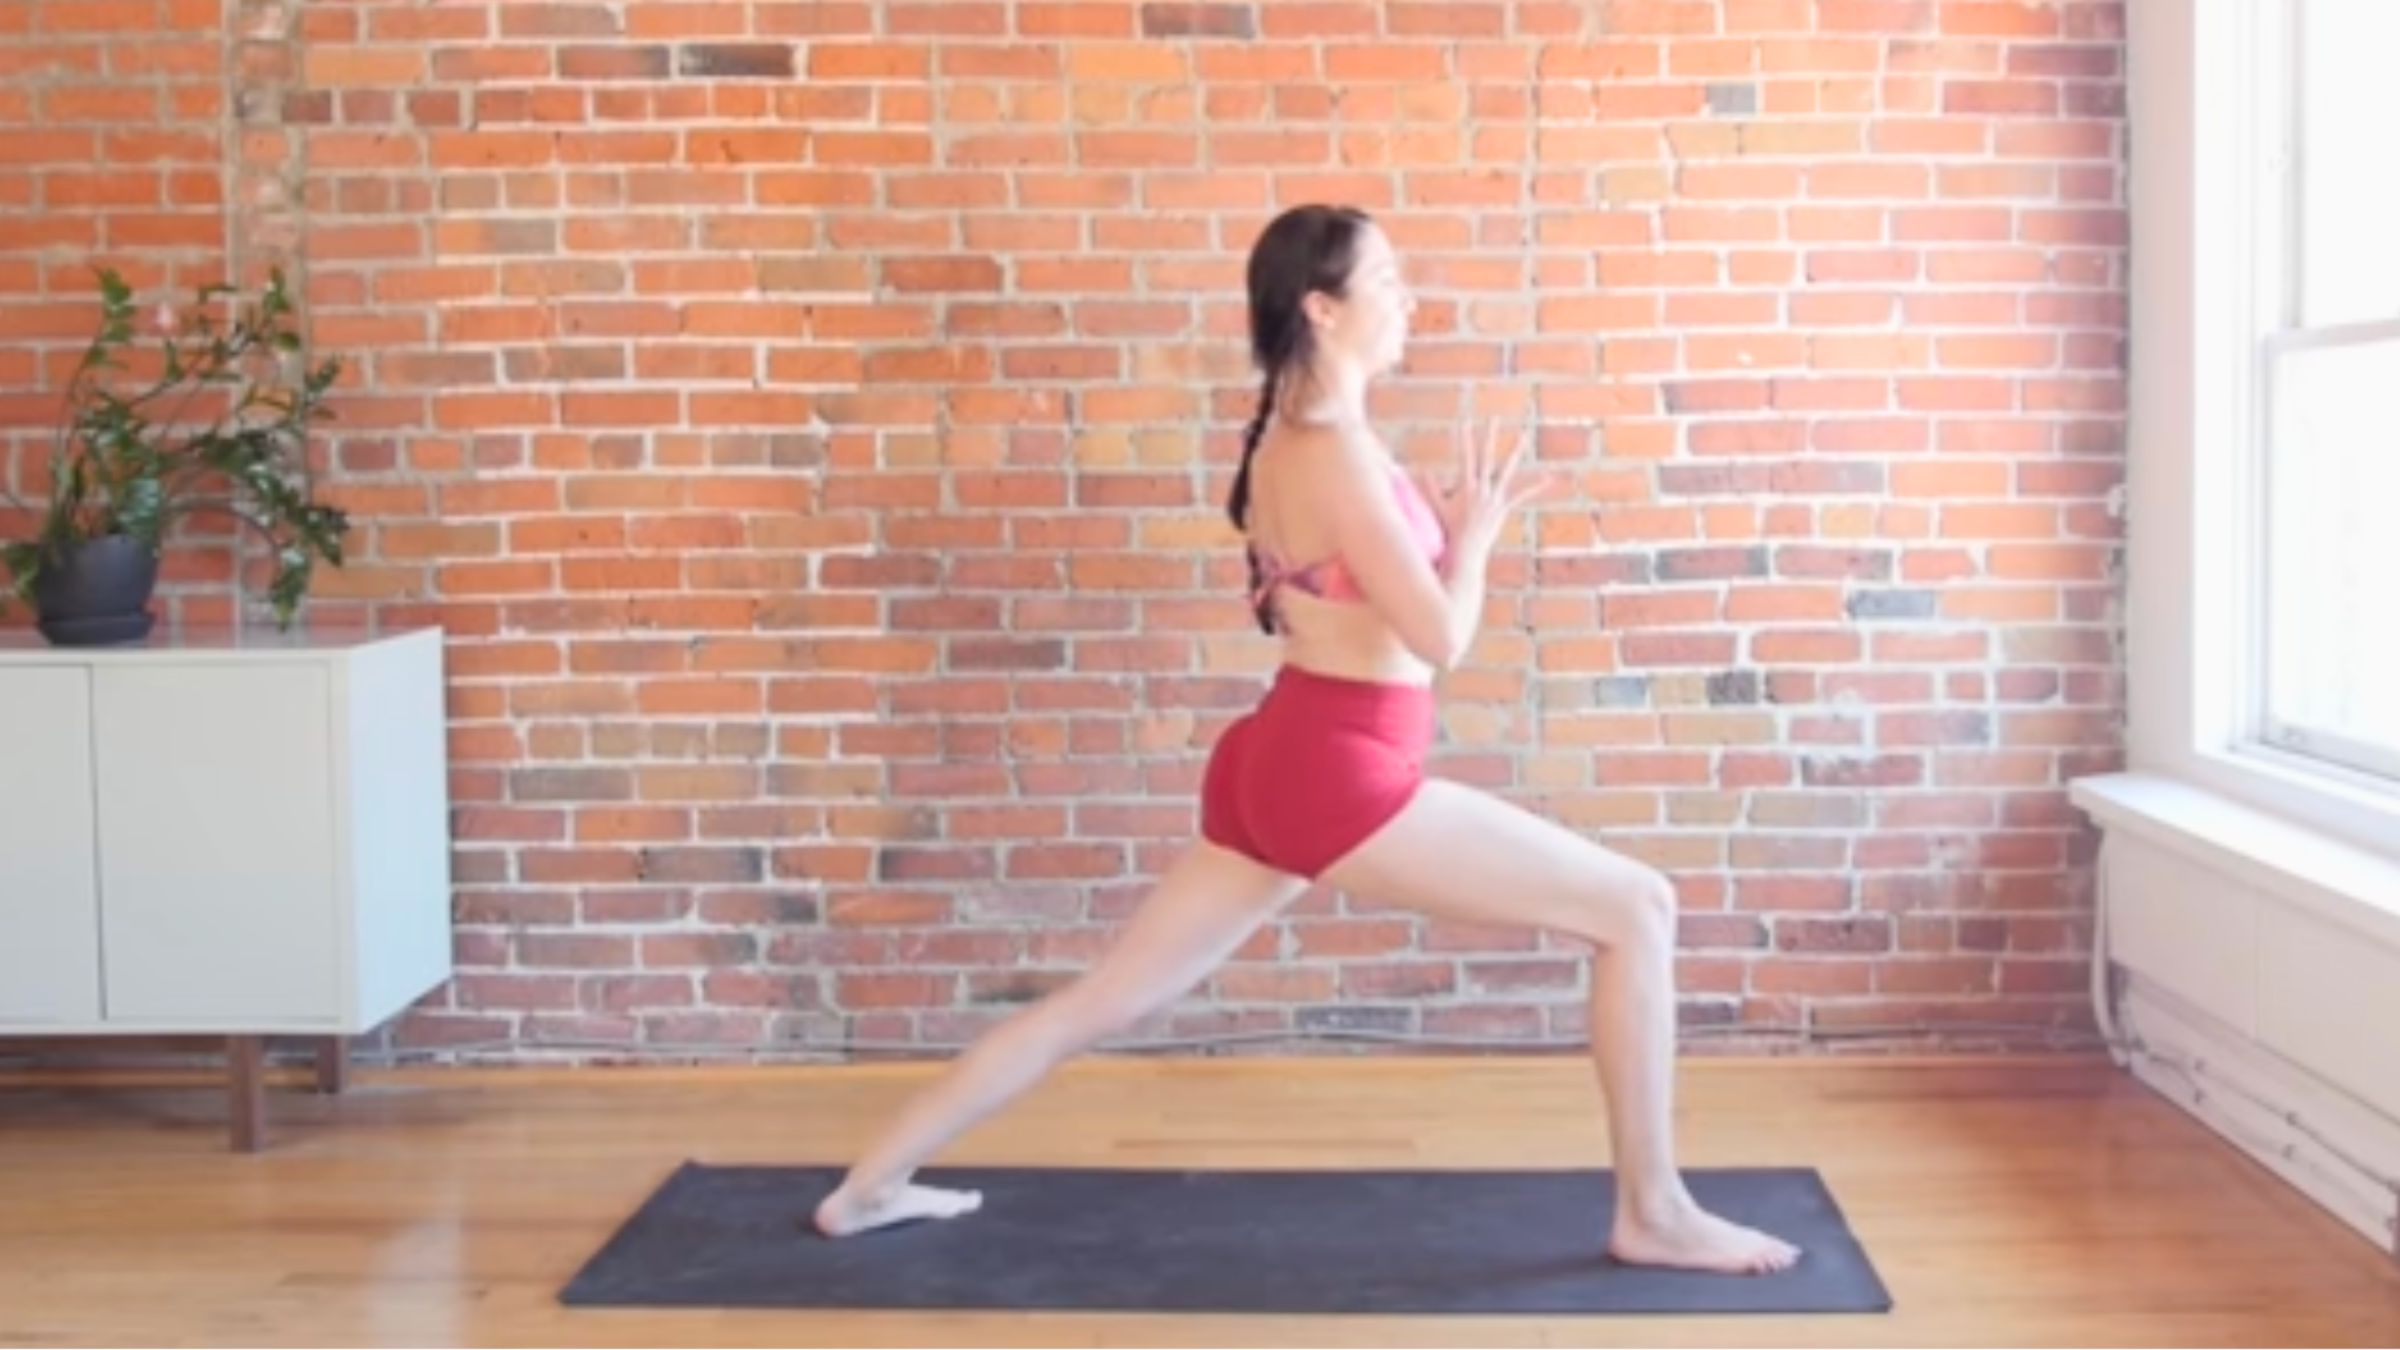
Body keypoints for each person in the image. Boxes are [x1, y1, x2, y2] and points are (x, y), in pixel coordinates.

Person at [809, 203, 1802, 1276]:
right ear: (1322, 308)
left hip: (1280, 757)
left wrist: (1442, 538)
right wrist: (1474, 541)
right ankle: (1654, 1212)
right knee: (1639, 907)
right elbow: (1442, 637)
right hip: (1339, 770)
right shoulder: (1336, 454)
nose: (1410, 300)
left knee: (1102, 999)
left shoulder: (1295, 438)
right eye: (1389, 282)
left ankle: (868, 1189)